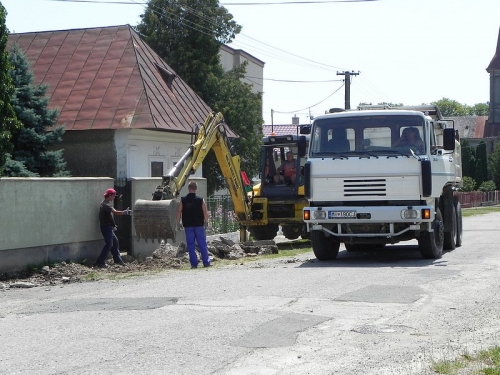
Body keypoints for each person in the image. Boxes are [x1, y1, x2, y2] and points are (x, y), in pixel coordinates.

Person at [176, 181, 211, 269]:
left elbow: (179, 211)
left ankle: (194, 264)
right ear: (196, 188)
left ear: (188, 188)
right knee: (202, 243)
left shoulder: (183, 199)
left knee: (190, 245)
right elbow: (205, 212)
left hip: (188, 225)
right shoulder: (200, 199)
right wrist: (206, 222)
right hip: (199, 225)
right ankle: (206, 262)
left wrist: (178, 222)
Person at [95, 188, 131, 268]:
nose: (114, 198)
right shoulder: (105, 205)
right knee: (109, 244)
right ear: (109, 195)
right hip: (106, 227)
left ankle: (117, 260)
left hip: (108, 227)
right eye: (114, 196)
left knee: (115, 242)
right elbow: (115, 212)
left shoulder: (105, 203)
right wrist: (125, 212)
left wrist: (113, 225)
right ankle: (100, 262)